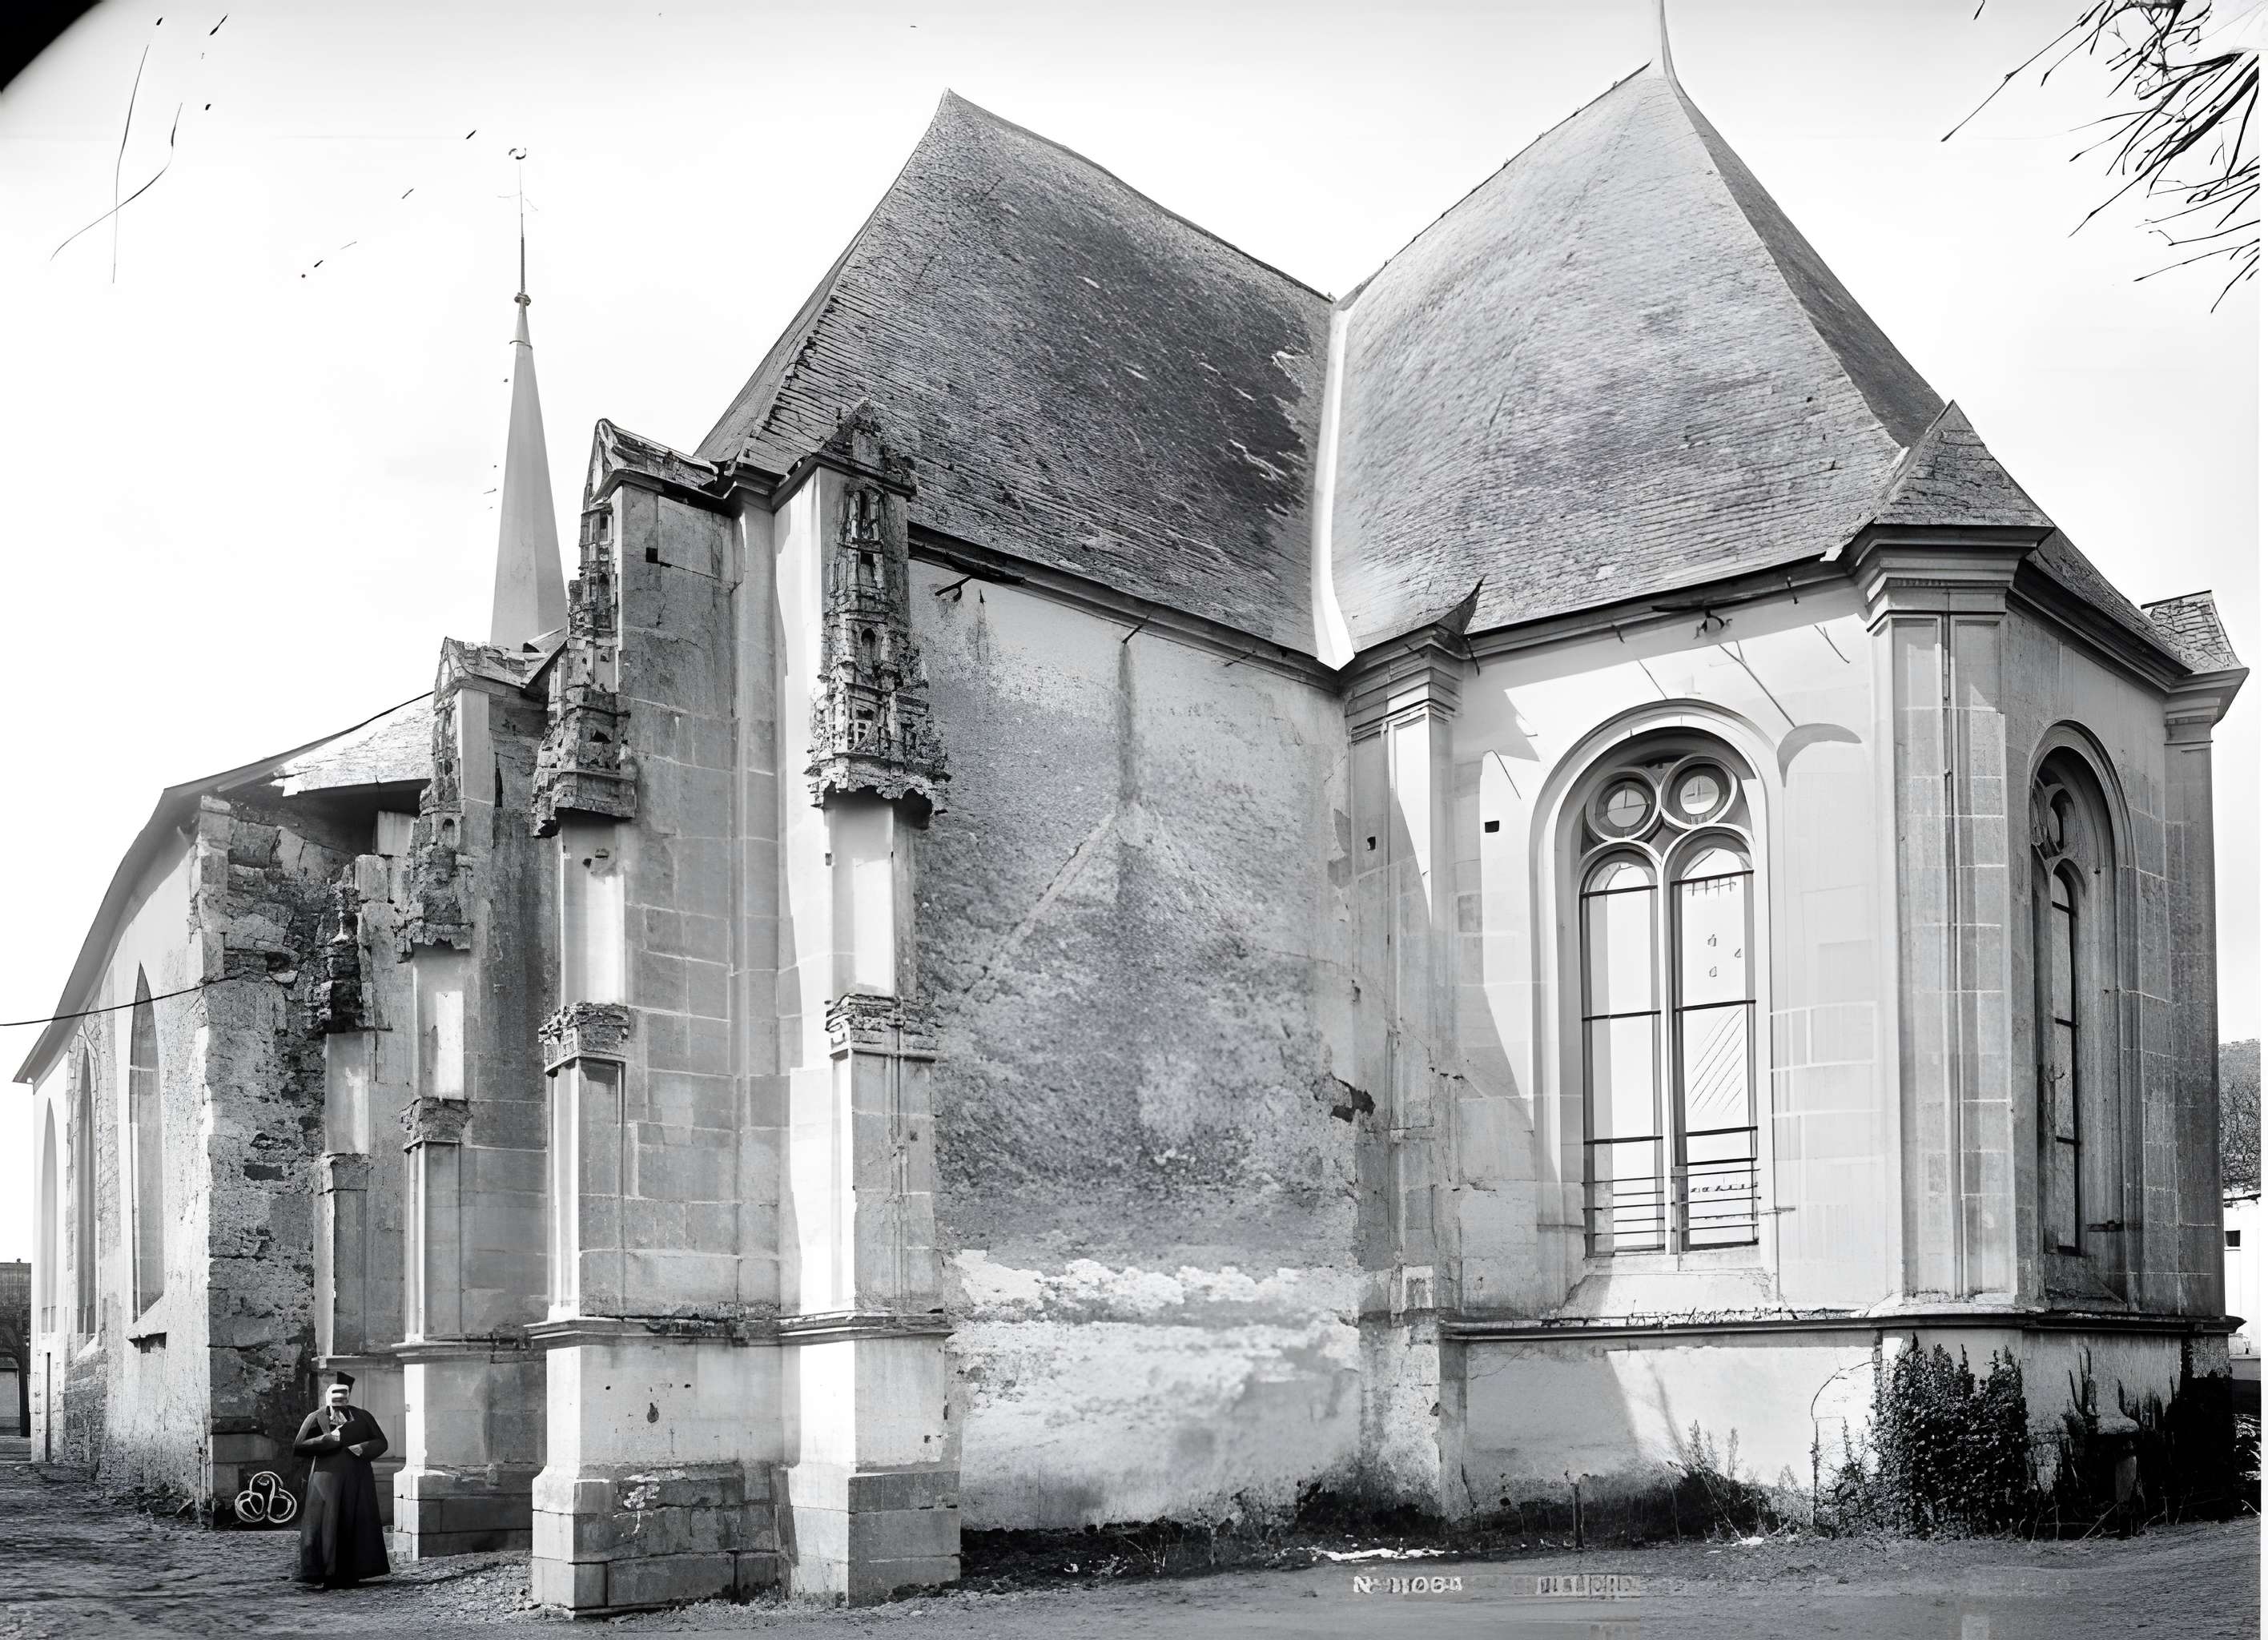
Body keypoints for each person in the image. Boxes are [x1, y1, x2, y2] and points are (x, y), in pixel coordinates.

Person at [292, 1370, 390, 1588]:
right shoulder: (315, 1418)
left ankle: (355, 1572)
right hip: (325, 1480)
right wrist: (329, 1439)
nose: (339, 1405)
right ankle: (323, 1572)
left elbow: (381, 1442)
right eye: (335, 1399)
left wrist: (362, 1448)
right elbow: (299, 1446)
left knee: (354, 1521)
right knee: (326, 1523)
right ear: (328, 1398)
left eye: (343, 1398)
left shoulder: (363, 1416)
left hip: (357, 1480)